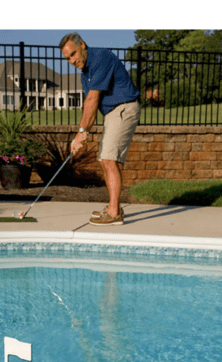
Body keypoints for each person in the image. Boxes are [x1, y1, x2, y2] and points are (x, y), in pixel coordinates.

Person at [59, 33, 141, 226]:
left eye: (73, 54)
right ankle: (114, 207)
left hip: (124, 107)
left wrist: (81, 132)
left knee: (109, 159)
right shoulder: (85, 73)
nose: (72, 60)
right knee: (105, 160)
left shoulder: (101, 58)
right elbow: (91, 107)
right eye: (68, 58)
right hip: (112, 112)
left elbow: (92, 99)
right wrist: (84, 133)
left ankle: (114, 213)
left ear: (82, 45)